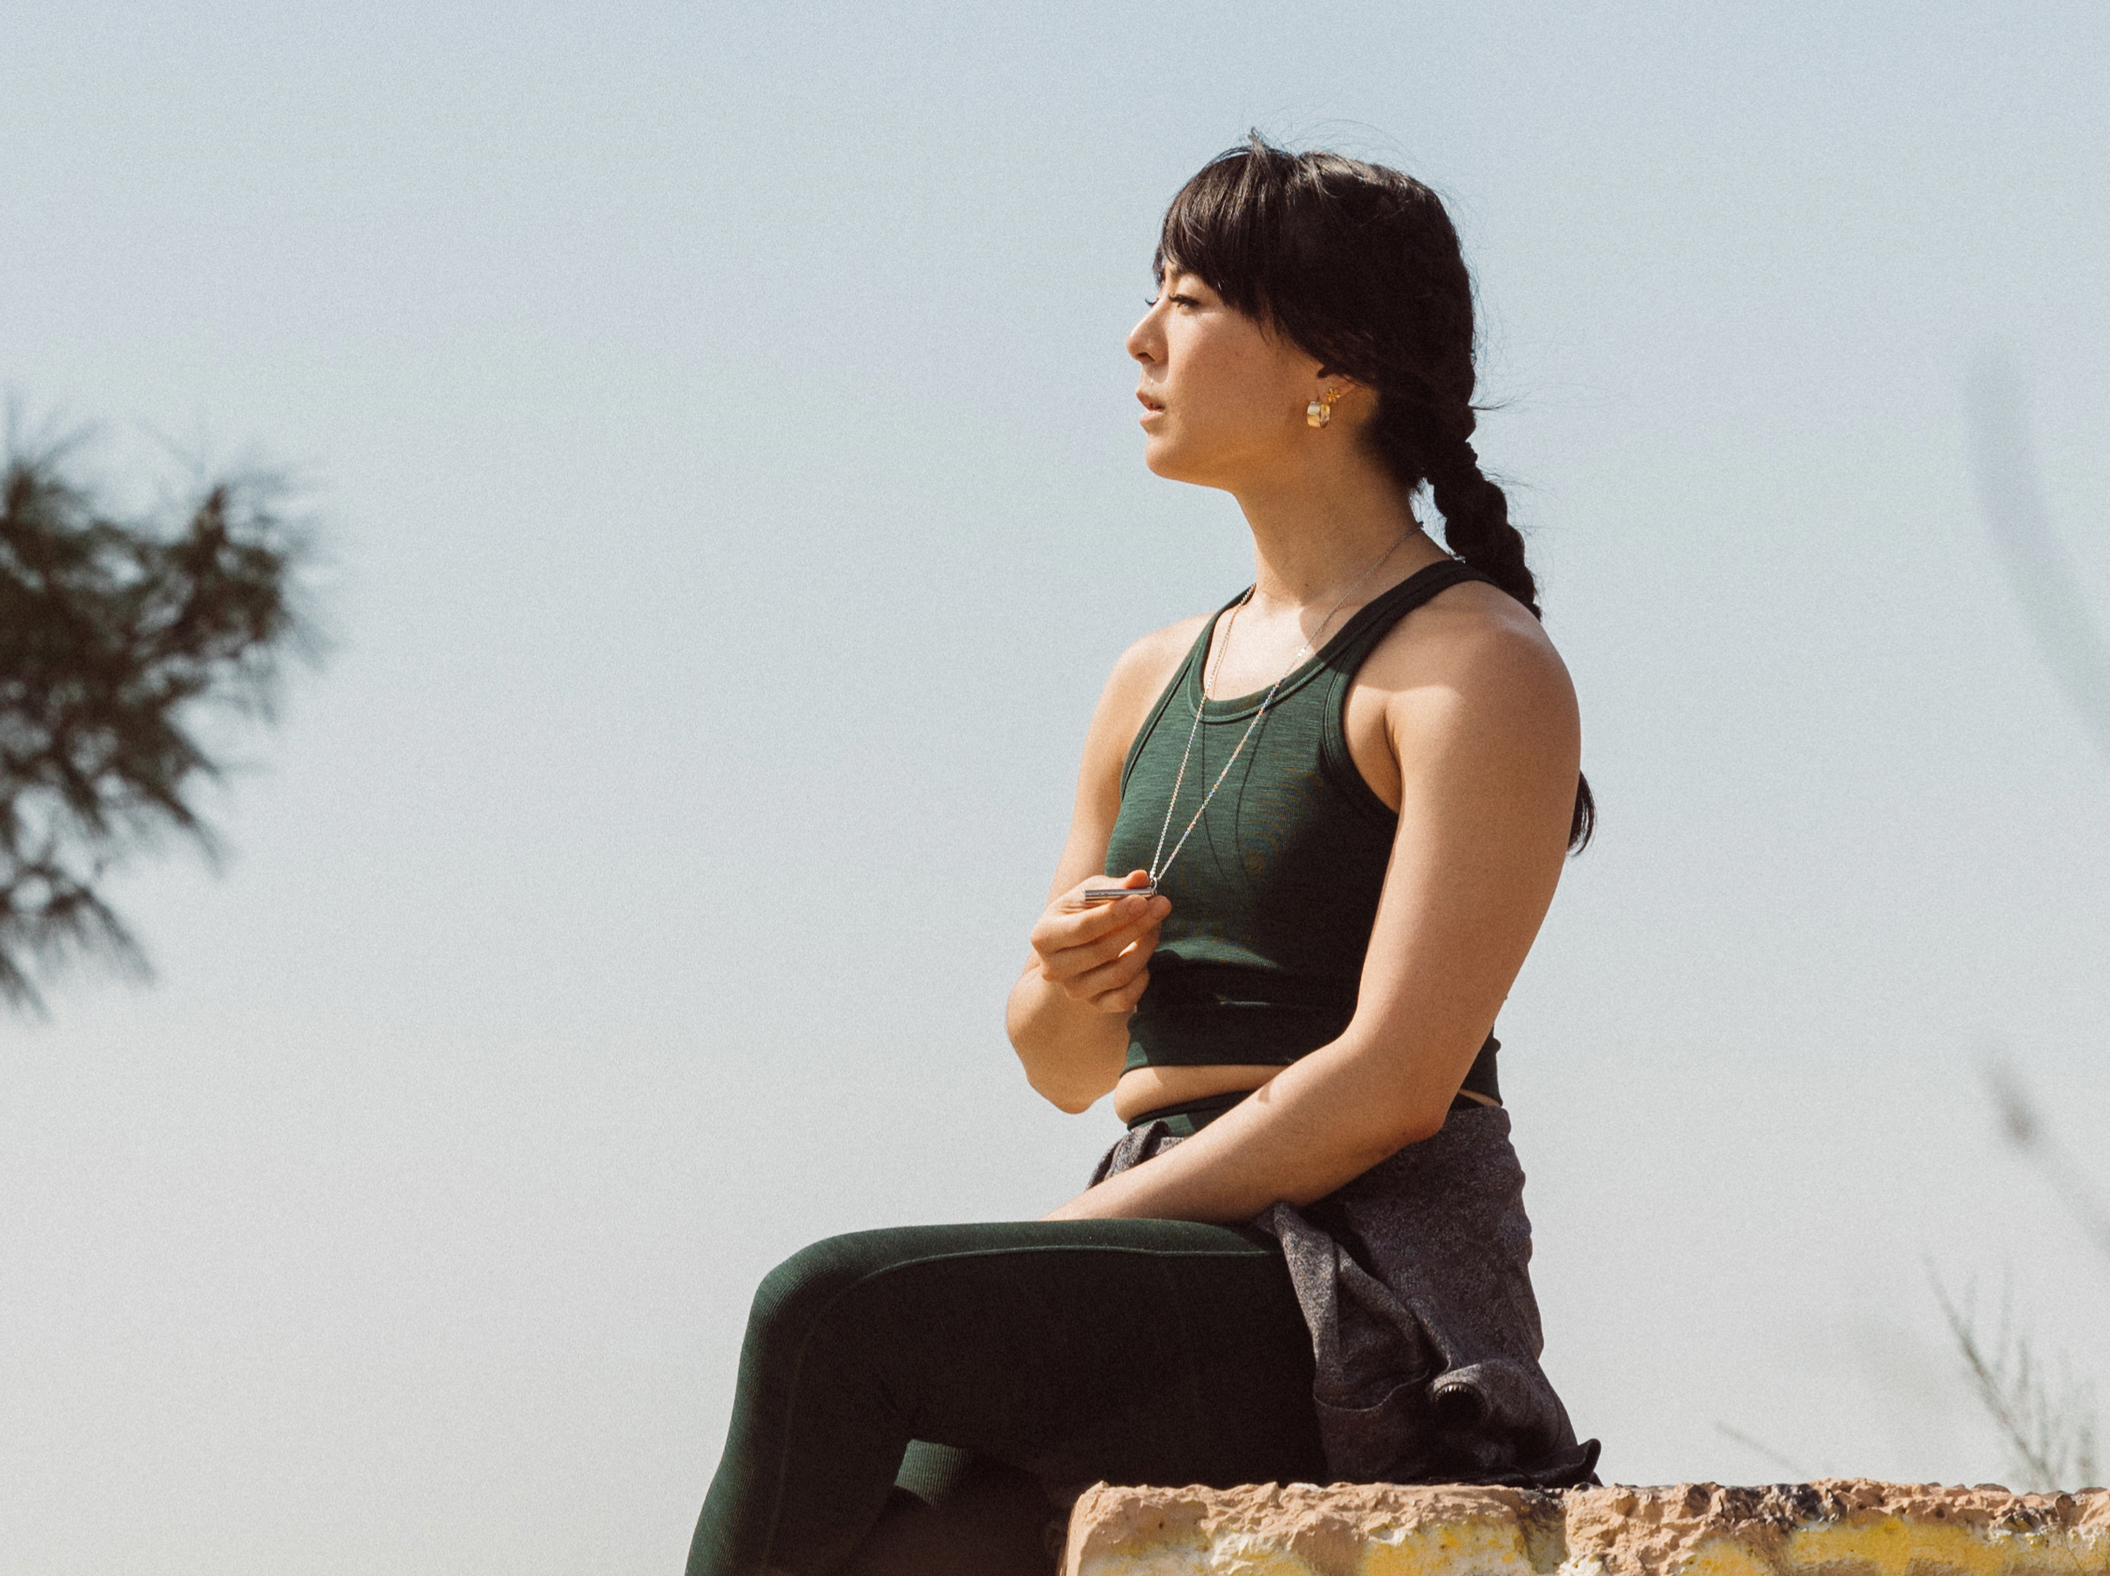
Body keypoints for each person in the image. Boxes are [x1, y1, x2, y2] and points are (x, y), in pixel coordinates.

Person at [684, 135, 1601, 1576]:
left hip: (1340, 1287)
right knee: (888, 1553)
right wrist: (1067, 982)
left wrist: (1079, 1225)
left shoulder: (1470, 666)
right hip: (1155, 1236)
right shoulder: (1150, 674)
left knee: (827, 1308)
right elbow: (1063, 1069)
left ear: (1332, 365)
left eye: (1187, 299)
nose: (1137, 336)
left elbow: (1392, 1085)